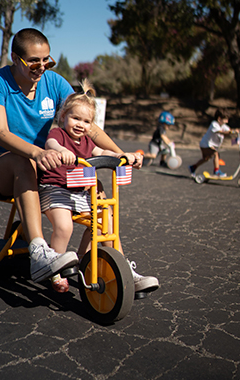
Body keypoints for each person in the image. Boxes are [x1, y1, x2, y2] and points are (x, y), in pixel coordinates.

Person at [0, 28, 142, 285]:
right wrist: (40, 153)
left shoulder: (54, 82)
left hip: (40, 166)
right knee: (24, 162)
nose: (42, 67)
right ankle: (39, 253)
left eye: (47, 60)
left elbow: (87, 124)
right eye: (34, 61)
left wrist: (120, 154)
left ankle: (112, 263)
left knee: (97, 184)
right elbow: (2, 133)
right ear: (16, 59)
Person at [39, 79, 160, 294]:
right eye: (75, 118)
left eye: (86, 121)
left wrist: (121, 155)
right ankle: (54, 267)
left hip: (79, 190)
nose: (80, 124)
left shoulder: (87, 142)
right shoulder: (59, 134)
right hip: (55, 188)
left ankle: (115, 267)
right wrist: (61, 151)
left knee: (105, 220)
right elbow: (51, 144)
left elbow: (102, 153)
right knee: (65, 226)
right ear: (63, 116)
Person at [188, 109, 240, 178]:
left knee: (206, 159)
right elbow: (221, 132)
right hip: (206, 144)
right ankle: (216, 171)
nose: (227, 121)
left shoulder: (223, 126)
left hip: (210, 145)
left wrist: (238, 131)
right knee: (216, 154)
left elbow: (229, 131)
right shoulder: (214, 124)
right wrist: (233, 132)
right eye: (225, 119)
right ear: (219, 118)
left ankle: (193, 167)